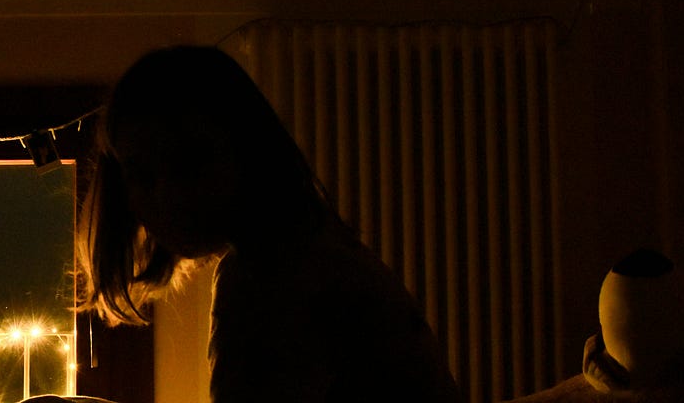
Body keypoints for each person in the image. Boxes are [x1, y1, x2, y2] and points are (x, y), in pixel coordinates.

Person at [35, 46, 461, 403]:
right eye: (142, 175)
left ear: (249, 151)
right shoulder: (318, 250)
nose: (166, 197)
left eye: (191, 164)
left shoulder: (272, 279)